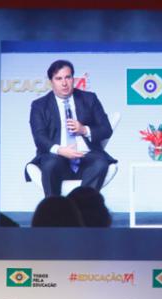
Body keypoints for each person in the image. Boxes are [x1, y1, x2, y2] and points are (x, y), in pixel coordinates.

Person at [27, 59, 115, 198]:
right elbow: (39, 138)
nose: (64, 83)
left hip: (86, 156)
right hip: (57, 155)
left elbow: (106, 129)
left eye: (68, 77)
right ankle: (55, 212)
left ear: (73, 78)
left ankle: (81, 208)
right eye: (58, 78)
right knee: (50, 165)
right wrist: (61, 150)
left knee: (100, 164)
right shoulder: (39, 105)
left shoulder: (89, 99)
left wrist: (84, 130)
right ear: (51, 81)